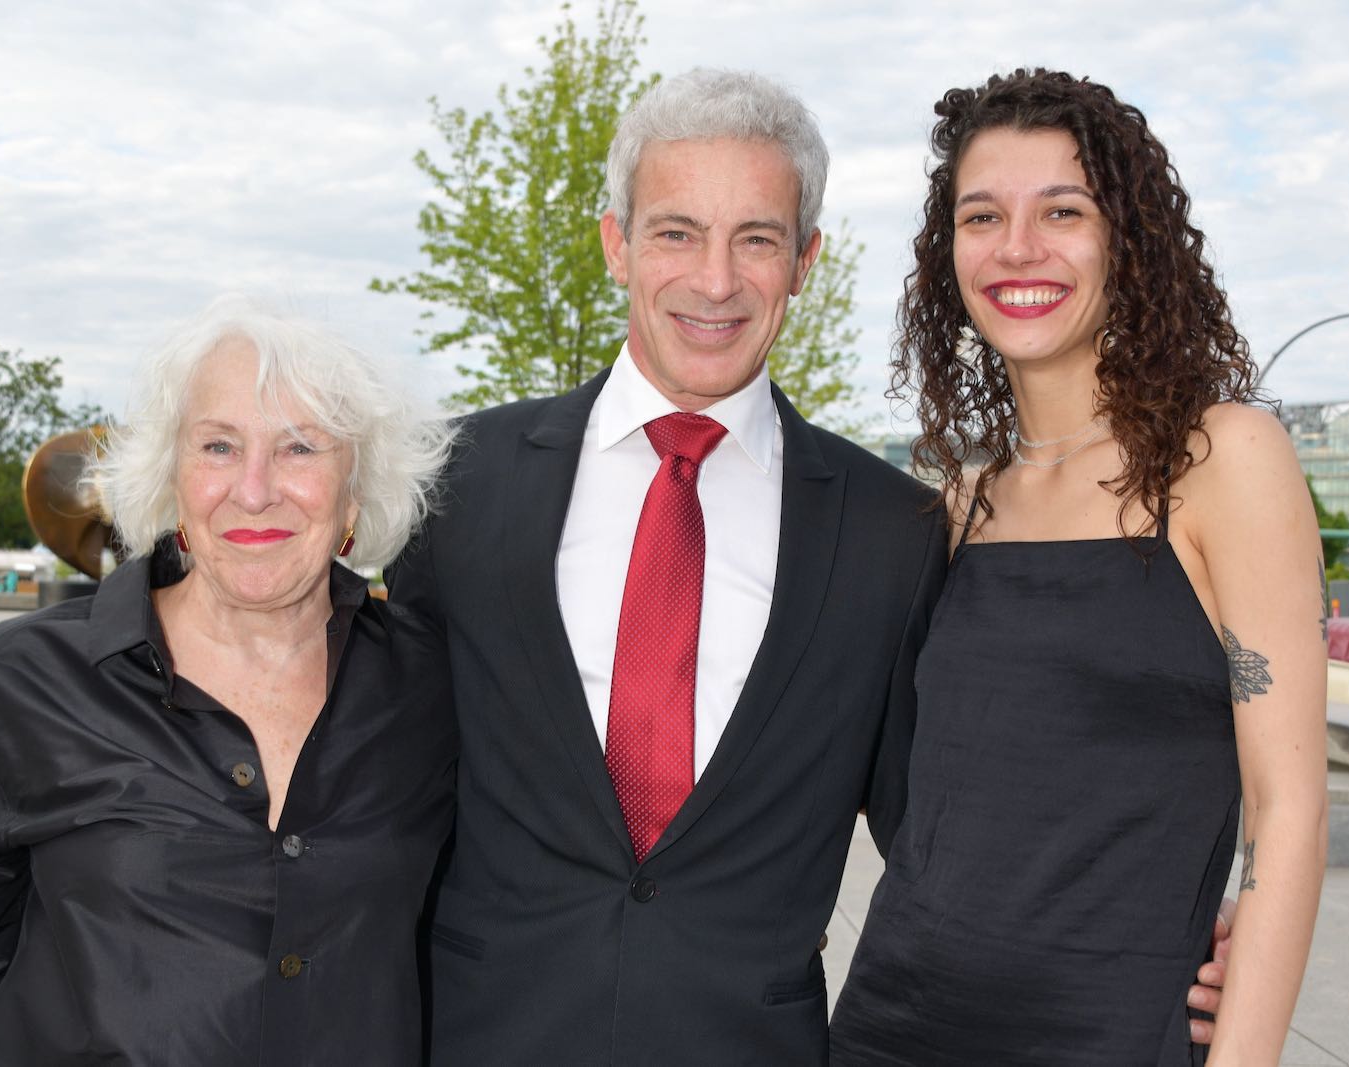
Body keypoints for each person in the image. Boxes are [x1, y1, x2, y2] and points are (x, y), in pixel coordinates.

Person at [383, 69, 950, 1065]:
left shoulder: (892, 529)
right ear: (617, 244)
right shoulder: (456, 481)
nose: (716, 280)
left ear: (805, 261)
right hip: (482, 1034)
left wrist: (1153, 925)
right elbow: (366, 756)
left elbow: (941, 835)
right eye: (676, 232)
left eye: (758, 239)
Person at [829, 69, 1328, 1065]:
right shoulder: (966, 505)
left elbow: (1291, 805)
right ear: (948, 255)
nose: (1018, 247)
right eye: (983, 215)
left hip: (1112, 1030)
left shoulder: (1222, 460)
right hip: (893, 1021)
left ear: (1127, 241)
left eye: (1062, 210)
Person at [0, 295, 458, 1064]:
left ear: (357, 487)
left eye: (299, 448)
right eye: (219, 446)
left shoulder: (432, 688)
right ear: (174, 477)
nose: (253, 489)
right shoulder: (21, 682)